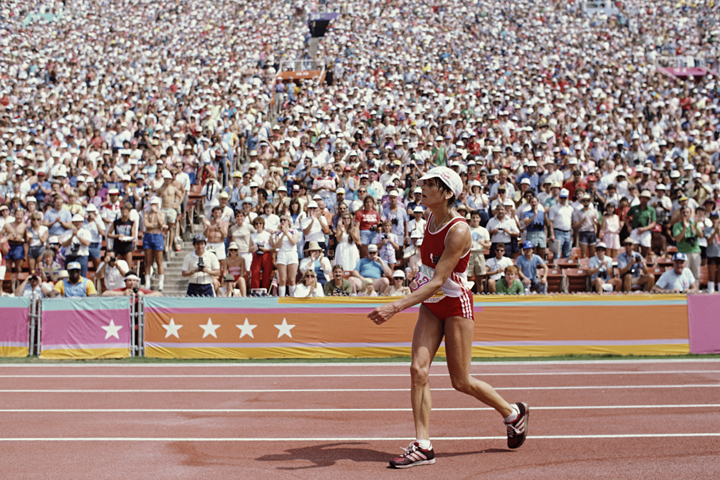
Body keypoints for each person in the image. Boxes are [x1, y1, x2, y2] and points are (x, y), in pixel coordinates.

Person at [368, 167, 528, 469]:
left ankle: (513, 413)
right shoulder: (430, 217)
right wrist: (416, 277)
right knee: (418, 369)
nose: (423, 188)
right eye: (424, 183)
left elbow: (439, 281)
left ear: (448, 193)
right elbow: (429, 271)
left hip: (455, 306)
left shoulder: (458, 230)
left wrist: (395, 306)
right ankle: (423, 445)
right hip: (431, 304)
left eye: (431, 185)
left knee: (461, 380)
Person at [671, 206, 703, 283]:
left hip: (695, 251)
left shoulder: (694, 224)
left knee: (696, 273)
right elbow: (677, 239)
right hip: (683, 253)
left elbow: (701, 236)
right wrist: (684, 228)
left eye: (687, 212)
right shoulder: (677, 225)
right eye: (683, 212)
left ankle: (695, 290)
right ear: (681, 214)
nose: (685, 214)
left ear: (690, 214)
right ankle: (684, 291)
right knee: (683, 274)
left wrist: (696, 226)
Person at [270, 216, 299, 297]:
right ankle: (282, 298)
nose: (282, 221)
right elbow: (277, 246)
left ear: (288, 222)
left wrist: (287, 233)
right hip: (282, 254)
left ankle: (292, 298)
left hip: (292, 254)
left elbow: (294, 242)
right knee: (282, 280)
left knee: (292, 280)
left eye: (284, 220)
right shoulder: (278, 233)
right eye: (281, 220)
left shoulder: (294, 231)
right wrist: (283, 235)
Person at [142, 197, 166, 291]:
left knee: (159, 261)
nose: (153, 206)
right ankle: (147, 282)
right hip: (148, 236)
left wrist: (156, 213)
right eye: (152, 204)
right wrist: (158, 226)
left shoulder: (161, 213)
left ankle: (161, 282)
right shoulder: (146, 214)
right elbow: (147, 225)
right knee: (148, 261)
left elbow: (161, 222)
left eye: (155, 204)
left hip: (158, 236)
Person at [627, 190, 657, 259]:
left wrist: (644, 229)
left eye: (646, 198)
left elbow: (653, 223)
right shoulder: (634, 208)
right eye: (643, 198)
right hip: (635, 229)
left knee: (646, 251)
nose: (644, 200)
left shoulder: (651, 210)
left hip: (645, 231)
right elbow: (626, 217)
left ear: (648, 200)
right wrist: (628, 227)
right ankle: (634, 264)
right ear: (640, 198)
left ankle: (643, 264)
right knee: (634, 249)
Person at [249, 216, 274, 292]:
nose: (259, 225)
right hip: (256, 254)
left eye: (260, 223)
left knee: (266, 274)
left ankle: (265, 291)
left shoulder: (267, 234)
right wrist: (254, 248)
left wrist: (266, 249)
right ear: (254, 225)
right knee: (255, 272)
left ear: (263, 224)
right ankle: (255, 291)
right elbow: (249, 249)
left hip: (266, 253)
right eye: (256, 223)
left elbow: (274, 247)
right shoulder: (252, 235)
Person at [108, 202, 137, 267]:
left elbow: (133, 236)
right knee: (118, 266)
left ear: (129, 212)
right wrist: (117, 236)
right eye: (123, 212)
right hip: (118, 246)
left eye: (126, 212)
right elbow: (108, 234)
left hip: (127, 247)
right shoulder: (116, 222)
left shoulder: (131, 223)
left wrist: (126, 239)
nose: (124, 214)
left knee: (127, 266)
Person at [572, 193, 599, 259]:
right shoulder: (578, 212)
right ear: (582, 202)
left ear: (590, 201)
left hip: (591, 232)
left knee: (592, 254)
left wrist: (594, 220)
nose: (586, 202)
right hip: (583, 232)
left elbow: (598, 223)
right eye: (584, 201)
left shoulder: (594, 211)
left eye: (587, 200)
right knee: (583, 255)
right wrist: (582, 221)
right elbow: (575, 225)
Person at [549, 188, 574, 259]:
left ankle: (565, 268)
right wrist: (552, 234)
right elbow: (551, 222)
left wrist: (571, 229)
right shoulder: (553, 208)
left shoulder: (570, 208)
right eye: (561, 197)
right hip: (558, 232)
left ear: (567, 198)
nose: (563, 199)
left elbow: (571, 220)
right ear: (559, 197)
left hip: (568, 232)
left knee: (567, 253)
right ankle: (556, 269)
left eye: (565, 198)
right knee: (557, 254)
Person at [704, 212, 720, 293]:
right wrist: (715, 232)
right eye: (712, 218)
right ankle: (711, 291)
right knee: (712, 275)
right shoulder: (707, 229)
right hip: (712, 254)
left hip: (719, 253)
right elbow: (709, 241)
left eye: (716, 218)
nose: (714, 220)